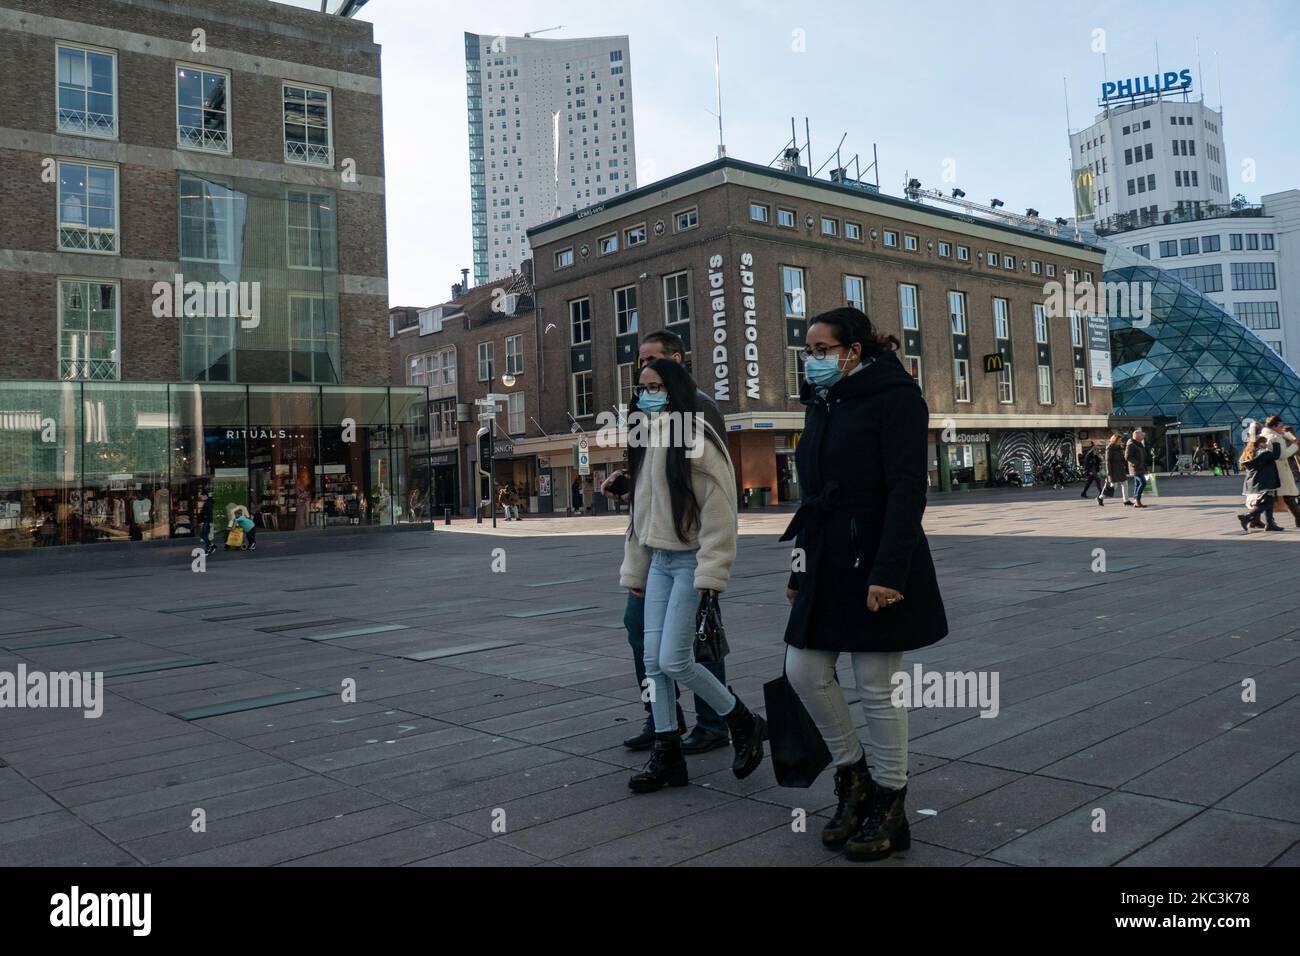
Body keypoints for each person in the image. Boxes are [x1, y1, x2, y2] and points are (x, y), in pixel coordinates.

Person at [782, 308, 948, 862]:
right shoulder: (824, 401)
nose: (813, 359)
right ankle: (853, 776)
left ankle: (891, 801)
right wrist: (798, 566)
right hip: (826, 554)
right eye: (809, 350)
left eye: (822, 349)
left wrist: (888, 573)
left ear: (854, 348)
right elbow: (811, 497)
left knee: (876, 681)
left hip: (876, 552)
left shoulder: (897, 396)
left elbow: (907, 490)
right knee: (802, 669)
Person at [619, 358, 766, 793]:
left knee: (674, 660)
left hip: (690, 562)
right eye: (642, 386)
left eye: (657, 385)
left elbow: (721, 512)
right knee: (652, 664)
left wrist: (711, 574)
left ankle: (742, 719)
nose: (647, 393)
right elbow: (640, 513)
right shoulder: (650, 438)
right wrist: (636, 567)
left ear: (677, 389)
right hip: (660, 562)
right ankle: (667, 754)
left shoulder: (698, 440)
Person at [616, 329, 732, 755]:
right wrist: (626, 484)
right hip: (652, 546)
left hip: (689, 549)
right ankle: (661, 719)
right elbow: (652, 478)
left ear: (676, 360)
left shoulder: (699, 408)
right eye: (640, 367)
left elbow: (711, 484)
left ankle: (717, 720)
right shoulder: (644, 415)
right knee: (643, 639)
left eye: (653, 362)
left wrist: (712, 566)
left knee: (696, 639)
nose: (644, 371)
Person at [1237, 433, 1286, 533]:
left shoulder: (1249, 453)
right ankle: (1248, 516)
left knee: (1270, 501)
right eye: (1264, 442)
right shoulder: (1263, 453)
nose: (1266, 444)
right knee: (1267, 502)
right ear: (1260, 443)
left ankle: (1270, 523)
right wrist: (1276, 441)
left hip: (1255, 482)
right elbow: (1276, 455)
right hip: (1266, 481)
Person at [1260, 416, 1300, 528]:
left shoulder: (1268, 435)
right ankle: (1255, 517)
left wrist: (1285, 435)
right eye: (1280, 426)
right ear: (1274, 426)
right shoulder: (1274, 437)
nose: (1283, 428)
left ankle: (1257, 519)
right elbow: (1282, 455)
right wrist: (1295, 446)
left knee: (1274, 496)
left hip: (1274, 469)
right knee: (1286, 495)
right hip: (1280, 469)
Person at [1126, 429, 1150, 508]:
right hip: (1135, 468)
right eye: (1141, 435)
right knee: (1143, 483)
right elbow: (1127, 456)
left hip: (1141, 467)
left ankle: (1136, 500)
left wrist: (1145, 468)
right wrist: (1136, 463)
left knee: (1137, 484)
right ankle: (1137, 500)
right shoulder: (1131, 444)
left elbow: (1143, 457)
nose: (1143, 436)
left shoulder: (1139, 444)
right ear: (1137, 436)